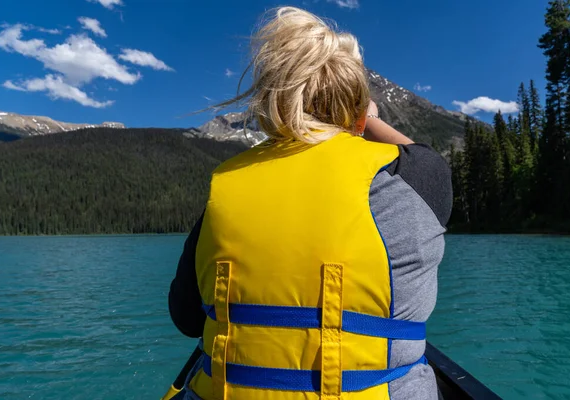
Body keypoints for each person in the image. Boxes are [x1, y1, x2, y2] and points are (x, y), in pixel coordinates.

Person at [169, 6, 452, 400]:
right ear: (357, 114)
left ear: (274, 105)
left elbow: (185, 318)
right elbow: (424, 157)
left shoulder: (226, 184)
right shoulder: (414, 178)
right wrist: (367, 120)